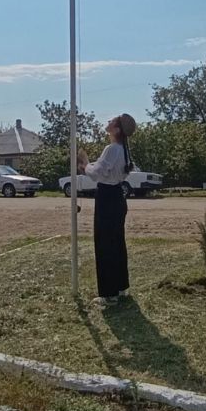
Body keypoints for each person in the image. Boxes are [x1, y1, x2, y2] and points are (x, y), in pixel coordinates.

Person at [78, 113, 137, 307]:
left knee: (104, 244)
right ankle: (120, 287)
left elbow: (97, 173)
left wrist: (85, 164)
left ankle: (109, 294)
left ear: (117, 129)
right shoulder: (123, 149)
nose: (108, 122)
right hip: (117, 196)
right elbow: (105, 170)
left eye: (112, 121)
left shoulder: (111, 149)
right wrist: (89, 166)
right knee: (117, 242)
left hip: (107, 197)